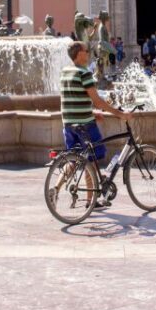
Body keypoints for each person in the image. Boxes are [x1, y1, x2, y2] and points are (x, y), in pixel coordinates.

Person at [58, 41, 131, 207]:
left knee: (75, 159)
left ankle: (56, 187)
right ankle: (91, 201)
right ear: (79, 54)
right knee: (92, 158)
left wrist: (91, 112)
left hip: (69, 124)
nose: (89, 53)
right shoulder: (84, 73)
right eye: (86, 50)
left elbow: (72, 99)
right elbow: (98, 101)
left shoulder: (65, 71)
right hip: (85, 125)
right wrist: (121, 114)